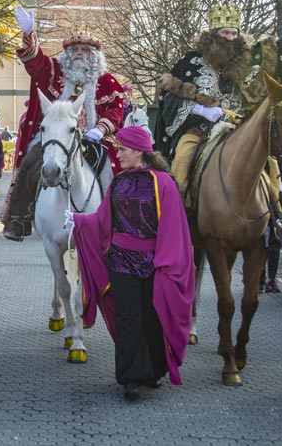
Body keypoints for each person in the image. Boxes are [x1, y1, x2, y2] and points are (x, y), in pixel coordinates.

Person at [68, 126, 194, 401]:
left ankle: (154, 371)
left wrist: (167, 263)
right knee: (128, 319)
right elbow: (103, 220)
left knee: (153, 317)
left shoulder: (163, 183)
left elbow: (173, 229)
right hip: (121, 261)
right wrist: (79, 222)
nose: (118, 153)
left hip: (154, 262)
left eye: (123, 149)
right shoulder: (118, 181)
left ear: (139, 151)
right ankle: (131, 378)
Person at [154, 0, 282, 203]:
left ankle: (278, 220)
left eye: (234, 33)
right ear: (212, 36)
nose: (231, 38)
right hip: (199, 132)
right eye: (225, 33)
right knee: (181, 165)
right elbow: (169, 99)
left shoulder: (249, 61)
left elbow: (277, 50)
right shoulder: (190, 62)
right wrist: (202, 111)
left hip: (241, 129)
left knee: (273, 167)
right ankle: (181, 213)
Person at [1, 5, 125, 241]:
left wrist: (100, 129)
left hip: (93, 137)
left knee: (112, 168)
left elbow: (116, 110)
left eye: (85, 50)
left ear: (94, 55)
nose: (79, 53)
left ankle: (116, 222)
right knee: (29, 162)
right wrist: (29, 34)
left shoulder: (107, 80)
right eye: (75, 49)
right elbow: (34, 63)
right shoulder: (53, 71)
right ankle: (20, 219)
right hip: (56, 135)